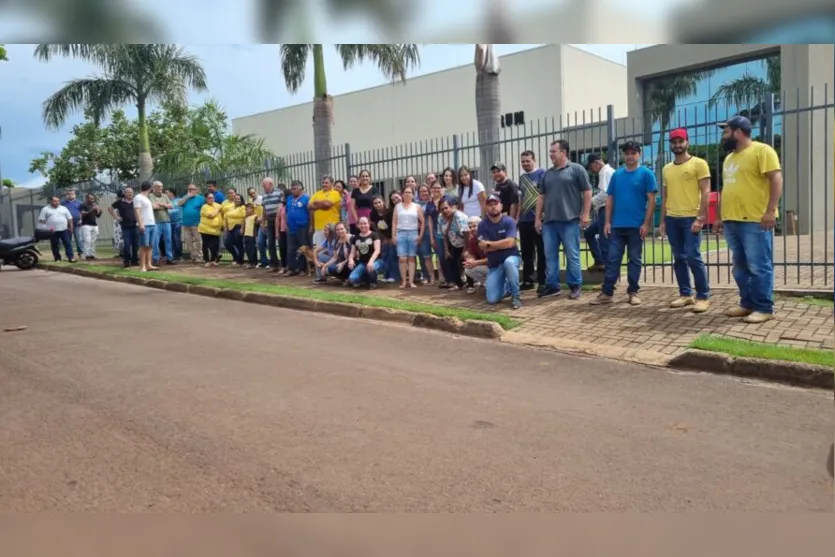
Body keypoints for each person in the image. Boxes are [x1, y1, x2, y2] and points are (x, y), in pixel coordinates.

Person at [716, 115, 783, 324]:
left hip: (755, 219)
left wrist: (771, 210)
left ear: (738, 132)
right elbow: (728, 188)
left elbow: (776, 178)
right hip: (732, 219)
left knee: (759, 265)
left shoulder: (762, 151)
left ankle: (764, 307)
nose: (723, 136)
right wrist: (720, 217)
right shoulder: (729, 158)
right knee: (740, 266)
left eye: (726, 131)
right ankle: (747, 303)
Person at [590, 141, 658, 306]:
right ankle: (607, 293)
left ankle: (633, 292)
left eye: (633, 153)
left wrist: (646, 224)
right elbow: (610, 199)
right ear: (623, 155)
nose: (629, 156)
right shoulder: (617, 175)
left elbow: (651, 200)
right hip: (617, 226)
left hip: (636, 226)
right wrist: (607, 222)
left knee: (634, 259)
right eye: (627, 153)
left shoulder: (646, 174)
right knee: (613, 259)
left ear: (639, 154)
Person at [659, 128, 711, 313]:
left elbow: (706, 191)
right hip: (673, 218)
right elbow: (665, 197)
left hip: (691, 218)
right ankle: (685, 294)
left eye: (681, 141)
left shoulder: (699, 164)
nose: (677, 145)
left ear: (687, 142)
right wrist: (663, 221)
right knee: (679, 258)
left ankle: (703, 296)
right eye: (674, 142)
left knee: (693, 256)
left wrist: (700, 217)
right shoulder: (667, 169)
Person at [535, 139, 592, 300]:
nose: (551, 154)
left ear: (564, 152)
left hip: (569, 220)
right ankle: (553, 286)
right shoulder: (547, 173)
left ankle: (575, 285)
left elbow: (587, 192)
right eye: (550, 151)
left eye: (554, 151)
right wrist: (537, 219)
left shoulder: (576, 169)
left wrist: (585, 214)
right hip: (549, 222)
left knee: (572, 254)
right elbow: (541, 197)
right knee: (550, 255)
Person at [477, 194, 522, 310]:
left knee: (509, 263)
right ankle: (506, 287)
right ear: (486, 207)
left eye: (495, 204)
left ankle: (516, 295)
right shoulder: (482, 225)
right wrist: (502, 244)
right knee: (492, 299)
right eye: (490, 205)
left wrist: (490, 244)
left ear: (501, 206)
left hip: (512, 258)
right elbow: (483, 247)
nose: (493, 207)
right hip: (495, 265)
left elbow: (510, 243)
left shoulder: (509, 221)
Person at [517, 151, 546, 290]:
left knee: (542, 251)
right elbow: (520, 199)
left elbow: (545, 195)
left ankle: (543, 281)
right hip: (525, 220)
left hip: (539, 219)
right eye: (523, 161)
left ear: (534, 160)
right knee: (527, 252)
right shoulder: (522, 178)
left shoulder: (542, 174)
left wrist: (540, 216)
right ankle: (528, 280)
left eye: (527, 161)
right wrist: (518, 217)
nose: (525, 164)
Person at [583, 153, 616, 271]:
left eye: (591, 166)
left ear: (596, 163)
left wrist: (591, 201)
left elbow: (605, 194)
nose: (592, 170)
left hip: (606, 209)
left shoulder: (605, 172)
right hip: (606, 209)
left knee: (605, 241)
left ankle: (608, 274)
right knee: (589, 233)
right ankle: (600, 261)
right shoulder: (607, 172)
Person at [392, 184, 425, 289]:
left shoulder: (417, 207)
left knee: (411, 258)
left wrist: (420, 235)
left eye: (409, 192)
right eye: (405, 192)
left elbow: (423, 222)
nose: (407, 194)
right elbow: (394, 222)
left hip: (413, 233)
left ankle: (411, 282)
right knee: (402, 258)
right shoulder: (398, 207)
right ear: (402, 194)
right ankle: (403, 281)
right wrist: (393, 235)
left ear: (413, 194)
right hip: (401, 233)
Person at [437, 196, 469, 291]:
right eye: (442, 209)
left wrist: (465, 250)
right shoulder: (440, 218)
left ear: (452, 207)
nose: (444, 210)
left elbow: (467, 234)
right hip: (453, 242)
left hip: (465, 242)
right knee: (450, 260)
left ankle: (471, 283)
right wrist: (446, 250)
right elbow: (443, 235)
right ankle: (458, 284)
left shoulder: (460, 217)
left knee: (465, 260)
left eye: (446, 208)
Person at [347, 216, 383, 288]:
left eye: (365, 223)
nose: (363, 225)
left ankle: (373, 282)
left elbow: (377, 250)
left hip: (376, 261)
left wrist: (371, 261)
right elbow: (352, 253)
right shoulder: (355, 238)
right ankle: (365, 279)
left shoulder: (374, 234)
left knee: (371, 268)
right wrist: (350, 259)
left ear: (369, 224)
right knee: (352, 279)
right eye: (361, 224)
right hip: (363, 263)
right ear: (358, 225)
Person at [284, 180, 311, 276]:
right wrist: (286, 224)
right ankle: (291, 268)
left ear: (300, 188)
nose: (292, 191)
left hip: (302, 227)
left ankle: (302, 269)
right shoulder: (289, 198)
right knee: (291, 249)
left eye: (294, 189)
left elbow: (310, 213)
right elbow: (286, 212)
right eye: (291, 189)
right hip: (291, 227)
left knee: (303, 249)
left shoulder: (306, 198)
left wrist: (311, 226)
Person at [37, 196, 75, 262]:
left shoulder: (64, 208)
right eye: (55, 201)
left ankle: (71, 257)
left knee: (67, 243)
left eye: (58, 201)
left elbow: (70, 218)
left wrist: (71, 227)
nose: (57, 202)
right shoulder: (45, 209)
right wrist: (46, 229)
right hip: (52, 230)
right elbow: (42, 220)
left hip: (64, 229)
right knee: (55, 245)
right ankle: (57, 258)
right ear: (50, 201)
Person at [309, 175, 342, 247]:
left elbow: (328, 204)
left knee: (332, 247)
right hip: (319, 227)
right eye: (323, 183)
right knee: (320, 250)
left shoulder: (335, 193)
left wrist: (316, 202)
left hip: (332, 226)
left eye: (326, 183)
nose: (324, 184)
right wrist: (323, 204)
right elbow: (309, 206)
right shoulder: (317, 193)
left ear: (332, 184)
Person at [371, 195, 398, 283]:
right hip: (383, 239)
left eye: (379, 202)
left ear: (383, 202)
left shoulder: (389, 212)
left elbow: (393, 226)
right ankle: (386, 276)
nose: (378, 205)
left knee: (392, 256)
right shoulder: (373, 214)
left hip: (392, 237)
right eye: (375, 203)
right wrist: (383, 239)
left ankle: (394, 276)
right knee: (385, 256)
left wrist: (391, 238)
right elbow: (375, 228)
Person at [260, 177, 284, 271]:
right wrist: (263, 222)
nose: (263, 187)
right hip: (269, 220)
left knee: (281, 242)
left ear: (270, 184)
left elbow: (282, 207)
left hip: (279, 219)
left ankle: (283, 264)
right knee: (270, 243)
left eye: (264, 185)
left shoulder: (279, 193)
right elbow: (264, 210)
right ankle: (274, 264)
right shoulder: (264, 196)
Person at [149, 180, 175, 265]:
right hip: (156, 222)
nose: (160, 188)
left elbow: (171, 206)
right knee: (156, 241)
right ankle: (156, 259)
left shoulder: (165, 196)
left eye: (161, 186)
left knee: (168, 240)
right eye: (158, 186)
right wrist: (165, 206)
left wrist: (162, 205)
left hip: (167, 221)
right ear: (154, 187)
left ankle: (169, 258)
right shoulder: (150, 196)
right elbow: (153, 207)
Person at [178, 183, 205, 263]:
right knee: (188, 241)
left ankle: (199, 257)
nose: (190, 191)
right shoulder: (185, 198)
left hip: (197, 223)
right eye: (189, 189)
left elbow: (204, 209)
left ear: (196, 190)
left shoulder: (201, 198)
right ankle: (193, 257)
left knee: (198, 241)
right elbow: (179, 204)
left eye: (192, 189)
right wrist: (187, 196)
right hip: (186, 224)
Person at [134, 181, 157, 272]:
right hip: (145, 225)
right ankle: (142, 266)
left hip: (152, 224)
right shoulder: (138, 197)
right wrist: (141, 224)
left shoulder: (147, 198)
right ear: (150, 188)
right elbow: (137, 210)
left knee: (150, 245)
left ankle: (149, 264)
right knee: (144, 246)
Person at [113, 188, 139, 267]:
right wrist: (116, 217)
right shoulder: (120, 202)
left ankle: (134, 261)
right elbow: (110, 208)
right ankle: (127, 261)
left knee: (136, 244)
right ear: (124, 193)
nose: (130, 194)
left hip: (135, 225)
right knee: (127, 244)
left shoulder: (136, 201)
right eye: (128, 192)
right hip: (125, 226)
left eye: (131, 192)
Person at [463, 216, 488, 294]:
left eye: (474, 226)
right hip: (486, 266)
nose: (472, 229)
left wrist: (476, 262)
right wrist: (470, 260)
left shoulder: (488, 236)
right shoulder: (472, 240)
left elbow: (493, 259)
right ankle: (487, 283)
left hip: (496, 266)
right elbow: (472, 255)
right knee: (468, 269)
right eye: (470, 227)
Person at [350, 169, 379, 235]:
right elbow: (352, 207)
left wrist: (371, 219)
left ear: (369, 178)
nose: (365, 178)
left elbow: (378, 203)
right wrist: (357, 220)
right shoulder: (355, 191)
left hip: (372, 217)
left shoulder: (375, 189)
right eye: (362, 176)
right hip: (359, 217)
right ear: (359, 178)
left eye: (366, 176)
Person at [198, 193, 223, 266]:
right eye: (209, 198)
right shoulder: (204, 207)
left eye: (212, 198)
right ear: (206, 199)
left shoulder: (217, 205)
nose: (211, 199)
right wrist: (218, 209)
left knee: (215, 246)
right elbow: (211, 215)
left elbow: (223, 210)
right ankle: (207, 261)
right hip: (206, 229)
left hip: (216, 230)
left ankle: (213, 260)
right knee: (206, 245)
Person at [223, 193, 246, 266]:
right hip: (230, 228)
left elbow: (244, 218)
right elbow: (226, 217)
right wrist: (226, 227)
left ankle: (240, 261)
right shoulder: (230, 207)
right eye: (236, 198)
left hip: (238, 226)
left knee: (239, 244)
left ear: (241, 200)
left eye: (238, 199)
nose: (237, 200)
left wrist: (242, 228)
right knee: (227, 243)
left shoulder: (242, 207)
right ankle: (235, 258)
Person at [79, 193, 102, 260]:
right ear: (87, 198)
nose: (92, 200)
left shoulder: (93, 205)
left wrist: (99, 210)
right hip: (86, 225)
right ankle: (87, 255)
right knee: (87, 241)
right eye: (91, 198)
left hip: (94, 225)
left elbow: (98, 216)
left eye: (93, 198)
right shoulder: (83, 205)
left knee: (93, 241)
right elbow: (82, 214)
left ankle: (92, 255)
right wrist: (92, 209)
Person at [60, 190, 84, 256]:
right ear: (66, 195)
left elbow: (82, 212)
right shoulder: (62, 203)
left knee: (79, 239)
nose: (70, 195)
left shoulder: (80, 203)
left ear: (75, 195)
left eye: (72, 194)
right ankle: (68, 254)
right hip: (67, 224)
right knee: (67, 240)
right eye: (68, 194)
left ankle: (81, 253)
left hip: (77, 224)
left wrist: (81, 220)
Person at [165, 187, 183, 261]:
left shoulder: (179, 200)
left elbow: (177, 210)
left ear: (171, 193)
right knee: (170, 239)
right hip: (169, 222)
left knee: (176, 239)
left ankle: (178, 255)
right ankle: (172, 255)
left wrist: (166, 211)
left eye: (167, 193)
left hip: (178, 222)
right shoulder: (166, 201)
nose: (165, 194)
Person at [243, 203, 259, 268]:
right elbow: (244, 224)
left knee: (252, 249)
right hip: (246, 234)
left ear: (252, 209)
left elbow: (256, 225)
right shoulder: (246, 217)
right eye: (246, 209)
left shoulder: (255, 216)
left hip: (252, 235)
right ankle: (251, 262)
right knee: (247, 249)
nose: (247, 210)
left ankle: (252, 262)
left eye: (248, 209)